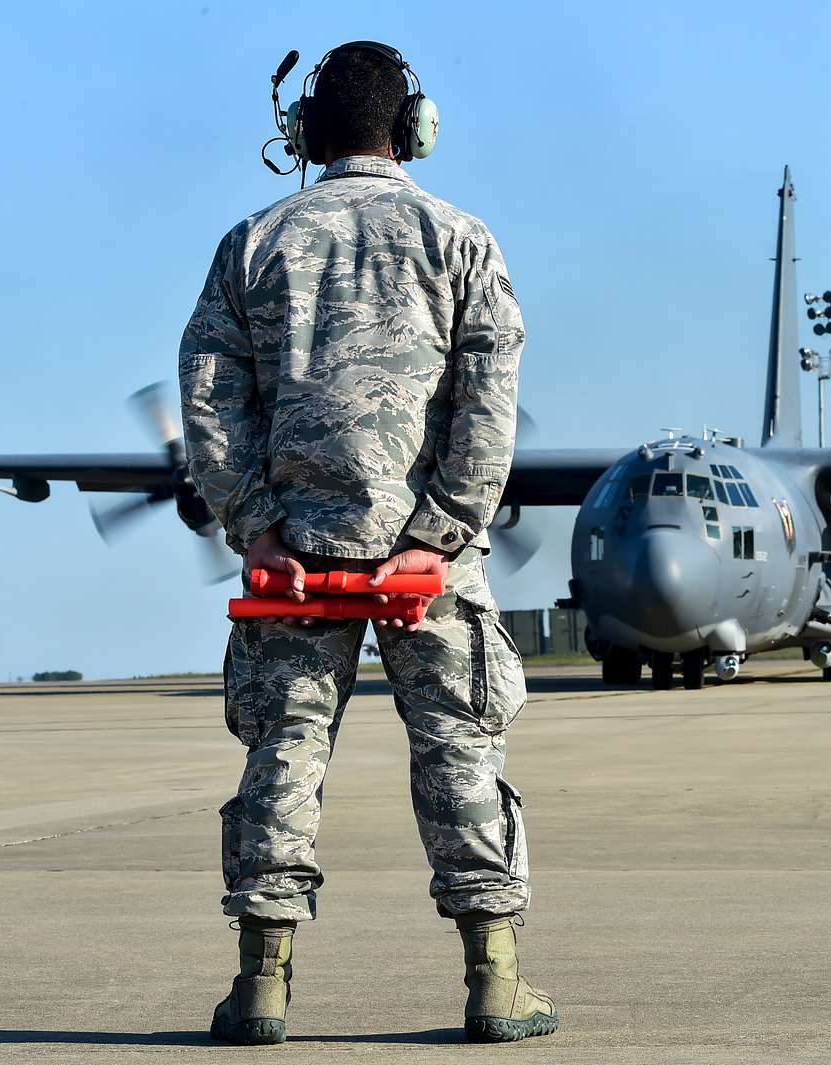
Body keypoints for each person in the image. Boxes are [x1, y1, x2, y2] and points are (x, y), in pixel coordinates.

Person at [177, 40, 554, 1045]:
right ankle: (495, 986)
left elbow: (210, 401)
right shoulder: (463, 238)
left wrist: (256, 522)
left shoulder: (254, 241)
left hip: (293, 563)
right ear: (414, 131)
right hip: (429, 567)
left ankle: (261, 989)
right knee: (460, 752)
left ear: (303, 134)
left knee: (283, 756)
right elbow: (488, 406)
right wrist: (439, 535)